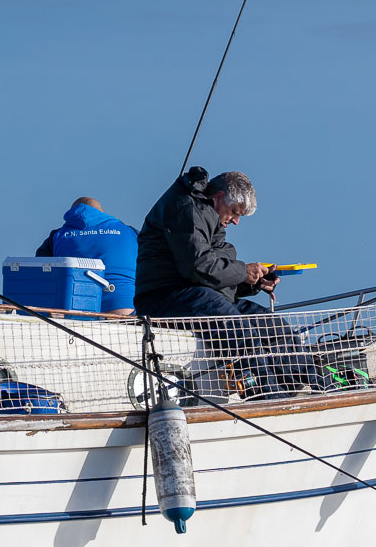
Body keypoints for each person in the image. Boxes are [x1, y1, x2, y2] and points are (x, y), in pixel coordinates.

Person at [135, 167, 326, 395]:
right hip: (164, 297)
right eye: (235, 212)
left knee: (271, 324)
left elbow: (220, 263)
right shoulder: (186, 209)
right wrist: (243, 272)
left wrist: (252, 282)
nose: (236, 221)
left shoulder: (208, 214)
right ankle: (266, 394)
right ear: (218, 198)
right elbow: (199, 267)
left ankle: (312, 385)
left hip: (195, 293)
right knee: (237, 328)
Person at [35, 197, 138, 315]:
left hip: (77, 312)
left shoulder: (56, 237)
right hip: (124, 311)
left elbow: (41, 277)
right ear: (101, 214)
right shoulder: (130, 232)